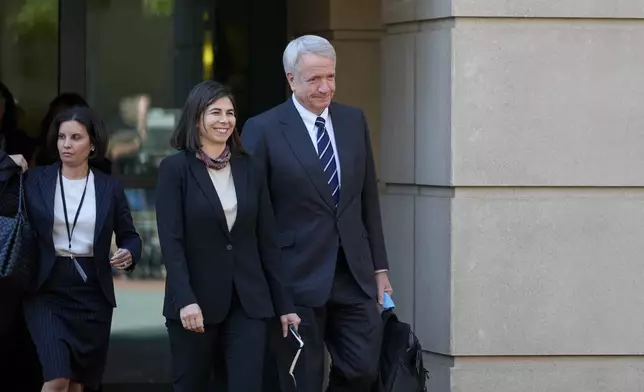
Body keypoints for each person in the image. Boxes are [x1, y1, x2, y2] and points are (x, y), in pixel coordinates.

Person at [241, 35, 393, 392]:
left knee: (363, 369)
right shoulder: (262, 129)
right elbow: (254, 215)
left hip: (352, 275)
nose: (325, 87)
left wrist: (380, 269)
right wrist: (266, 286)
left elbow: (368, 198)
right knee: (301, 381)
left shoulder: (354, 120)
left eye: (331, 77)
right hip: (295, 277)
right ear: (291, 79)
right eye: (314, 79)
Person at [155, 80, 300, 392]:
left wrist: (285, 303)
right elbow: (172, 242)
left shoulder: (250, 168)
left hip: (248, 301)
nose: (225, 120)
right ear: (196, 118)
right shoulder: (174, 170)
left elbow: (267, 241)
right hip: (195, 303)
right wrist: (186, 299)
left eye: (230, 113)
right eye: (215, 112)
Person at [22, 106, 142, 392]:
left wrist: (129, 253)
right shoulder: (36, 180)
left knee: (78, 385)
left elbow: (130, 236)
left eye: (76, 137)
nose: (66, 144)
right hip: (46, 288)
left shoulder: (108, 187)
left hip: (92, 292)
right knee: (57, 379)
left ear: (93, 144)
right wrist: (10, 163)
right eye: (62, 137)